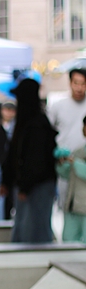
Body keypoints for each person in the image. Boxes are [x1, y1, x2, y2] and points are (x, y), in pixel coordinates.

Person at [0, 79, 58, 243]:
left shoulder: (34, 125)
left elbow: (35, 160)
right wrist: (8, 180)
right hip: (31, 185)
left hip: (36, 186)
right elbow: (15, 154)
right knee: (26, 228)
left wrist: (24, 185)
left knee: (32, 230)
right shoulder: (30, 122)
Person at [48, 69, 86, 208]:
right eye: (76, 83)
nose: (79, 88)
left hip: (84, 162)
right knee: (65, 203)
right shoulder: (58, 106)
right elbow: (49, 133)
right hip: (64, 163)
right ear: (70, 83)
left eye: (83, 84)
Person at [56, 116, 86, 242]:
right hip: (73, 205)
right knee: (69, 242)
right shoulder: (78, 151)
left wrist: (75, 162)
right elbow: (67, 175)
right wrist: (62, 164)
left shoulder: (76, 156)